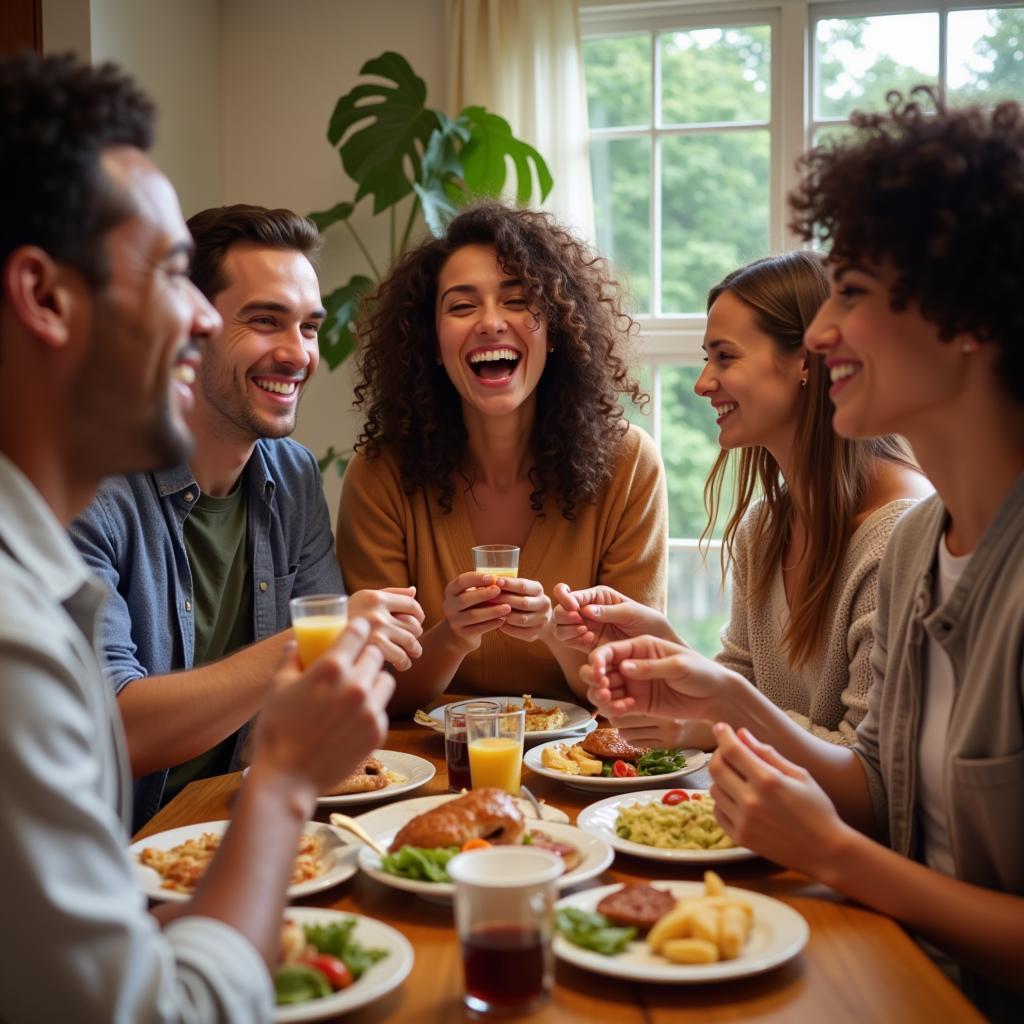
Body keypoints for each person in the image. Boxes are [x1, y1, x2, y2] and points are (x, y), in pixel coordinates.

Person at [584, 89, 1024, 1019]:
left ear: (969, 315)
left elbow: (855, 836)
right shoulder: (918, 549)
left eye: (853, 297)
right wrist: (717, 693)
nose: (823, 336)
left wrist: (833, 856)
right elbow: (871, 786)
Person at [0, 52, 395, 1022]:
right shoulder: (14, 633)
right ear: (45, 298)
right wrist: (285, 784)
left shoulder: (282, 476)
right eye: (173, 276)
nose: (196, 319)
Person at [69, 204, 424, 827]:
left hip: (247, 815)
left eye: (309, 328)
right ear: (187, 325)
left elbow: (321, 693)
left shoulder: (291, 476)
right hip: (118, 851)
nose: (297, 354)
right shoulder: (90, 488)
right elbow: (109, 728)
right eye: (264, 321)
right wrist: (314, 640)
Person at [554, 252, 929, 748]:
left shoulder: (899, 537)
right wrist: (661, 639)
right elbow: (742, 692)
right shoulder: (766, 528)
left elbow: (871, 776)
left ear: (807, 360)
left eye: (725, 357)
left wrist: (703, 725)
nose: (702, 382)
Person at [337, 201, 667, 713]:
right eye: (462, 306)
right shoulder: (380, 474)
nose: (491, 323)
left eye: (517, 300)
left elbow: (634, 686)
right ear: (430, 341)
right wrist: (454, 636)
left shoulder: (629, 464)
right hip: (424, 772)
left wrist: (553, 633)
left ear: (557, 328)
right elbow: (380, 692)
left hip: (580, 773)